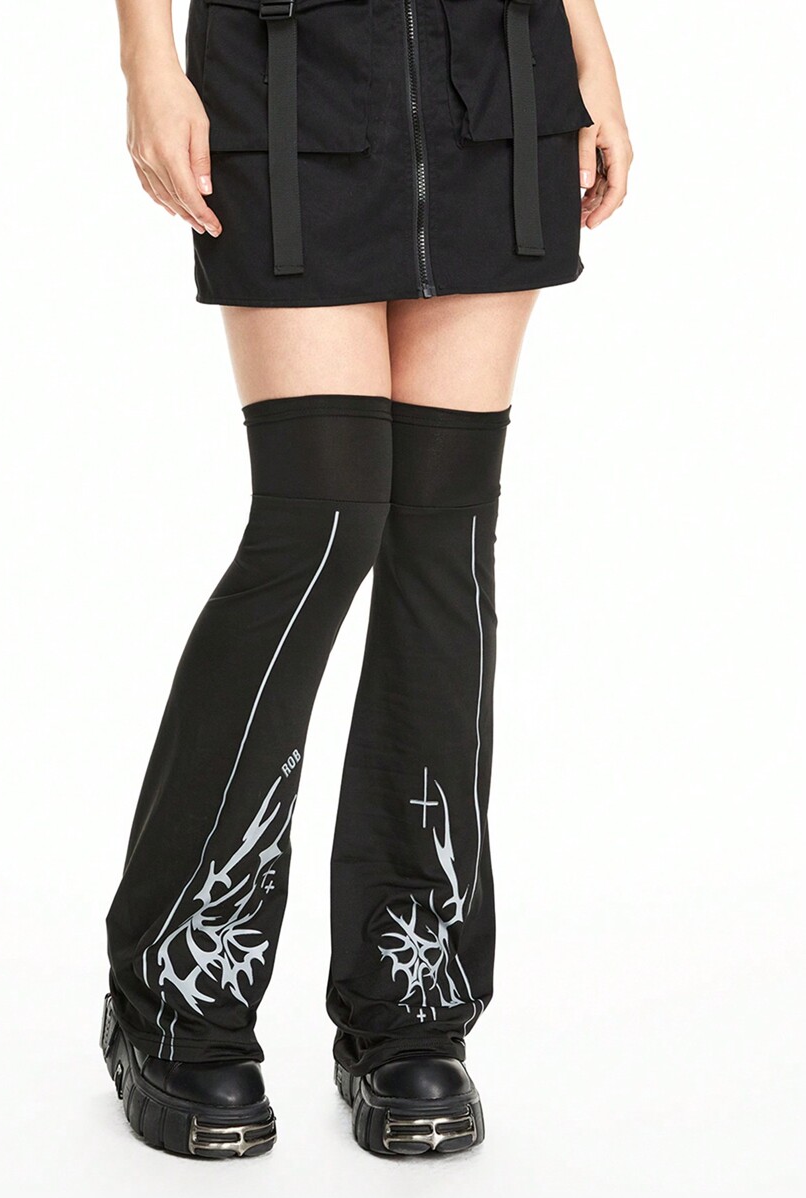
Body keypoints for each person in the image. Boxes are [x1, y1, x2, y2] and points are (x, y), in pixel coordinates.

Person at [101, 0, 632, 1160]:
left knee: (444, 536)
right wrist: (146, 56)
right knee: (322, 521)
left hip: (494, 73)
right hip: (288, 67)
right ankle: (175, 988)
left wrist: (587, 47)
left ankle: (410, 1003)